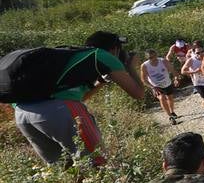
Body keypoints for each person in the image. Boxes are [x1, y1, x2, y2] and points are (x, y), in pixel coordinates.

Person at [10, 31, 144, 167]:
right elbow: (138, 94)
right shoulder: (102, 55)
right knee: (96, 162)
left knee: (62, 168)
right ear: (115, 49)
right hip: (57, 110)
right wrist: (130, 67)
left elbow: (79, 97)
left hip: (22, 114)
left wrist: (100, 82)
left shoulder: (73, 57)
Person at [140, 47, 180, 125]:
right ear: (147, 58)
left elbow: (172, 70)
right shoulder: (145, 66)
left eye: (154, 56)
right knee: (162, 98)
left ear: (156, 55)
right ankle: (170, 117)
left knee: (170, 98)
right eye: (151, 57)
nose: (154, 58)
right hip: (156, 86)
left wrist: (176, 78)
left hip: (167, 83)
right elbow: (144, 80)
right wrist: (153, 87)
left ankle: (172, 112)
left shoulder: (163, 61)